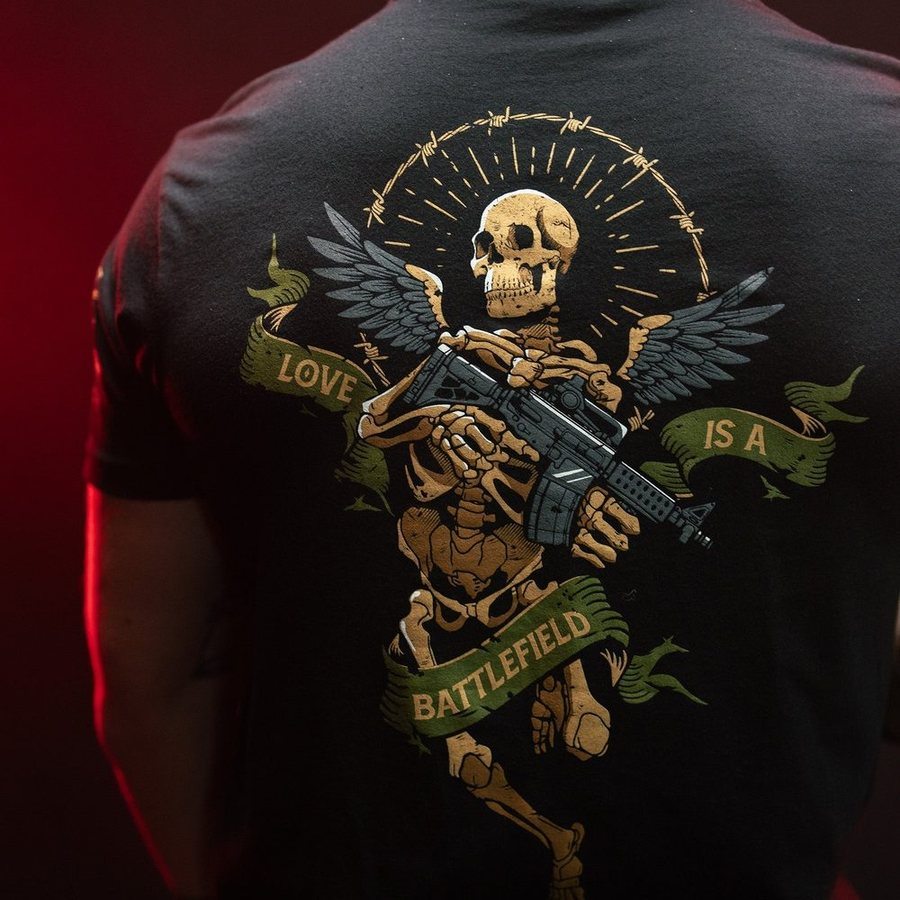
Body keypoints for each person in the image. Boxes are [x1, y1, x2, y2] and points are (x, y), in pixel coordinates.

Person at [82, 0, 899, 897]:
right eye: (497, 250)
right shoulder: (880, 150)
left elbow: (151, 683)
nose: (506, 269)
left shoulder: (205, 189)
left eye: (530, 256)